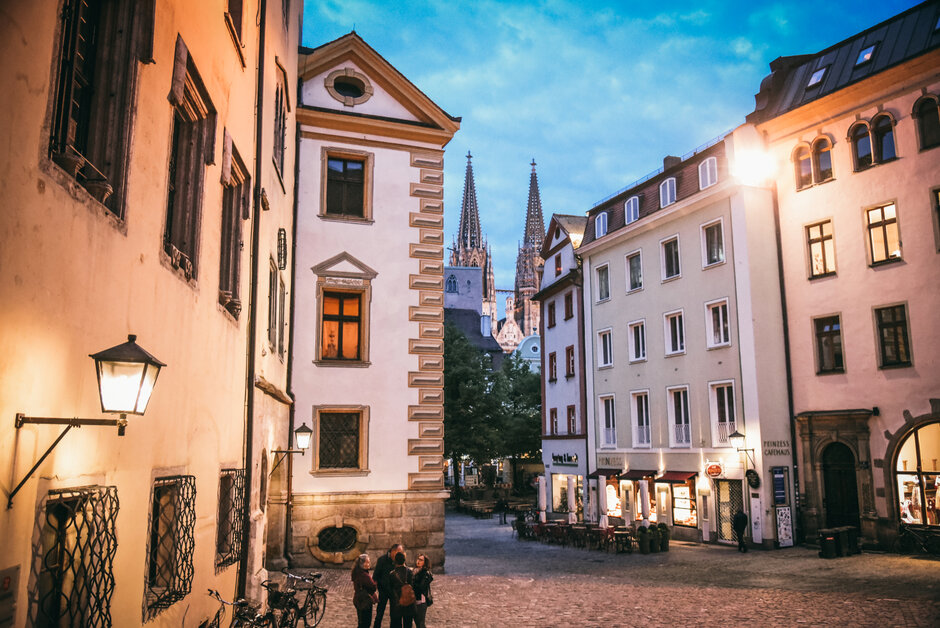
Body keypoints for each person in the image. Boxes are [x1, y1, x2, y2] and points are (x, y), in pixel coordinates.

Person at [372, 543, 402, 628]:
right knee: (380, 613)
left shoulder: (399, 560)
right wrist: (375, 589)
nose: (401, 554)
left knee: (394, 614)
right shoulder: (382, 560)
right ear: (393, 551)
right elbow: (375, 575)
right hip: (383, 591)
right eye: (399, 552)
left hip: (394, 591)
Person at [389, 551, 415, 628]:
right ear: (404, 560)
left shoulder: (392, 574)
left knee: (396, 624)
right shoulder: (410, 572)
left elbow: (390, 589)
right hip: (408, 602)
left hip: (396, 603)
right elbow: (413, 586)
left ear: (395, 561)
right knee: (408, 624)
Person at [352, 554, 378, 628]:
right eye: (367, 562)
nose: (369, 564)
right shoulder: (364, 575)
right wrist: (376, 582)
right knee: (365, 623)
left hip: (358, 599)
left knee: (361, 622)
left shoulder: (357, 572)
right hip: (365, 600)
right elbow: (373, 586)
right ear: (363, 564)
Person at [412, 554, 433, 628]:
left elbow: (421, 587)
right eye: (418, 559)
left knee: (421, 623)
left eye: (421, 560)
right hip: (414, 599)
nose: (418, 561)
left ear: (425, 562)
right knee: (417, 622)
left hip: (421, 600)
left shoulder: (426, 573)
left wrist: (412, 583)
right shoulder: (414, 571)